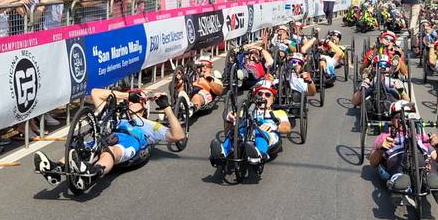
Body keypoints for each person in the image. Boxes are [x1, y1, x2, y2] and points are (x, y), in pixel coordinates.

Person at [33, 88, 185, 191]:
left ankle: (93, 173)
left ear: (144, 106)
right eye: (130, 101)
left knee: (110, 150)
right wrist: (127, 95)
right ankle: (56, 169)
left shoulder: (149, 125)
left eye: (136, 101)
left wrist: (167, 108)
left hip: (130, 141)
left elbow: (178, 136)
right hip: (105, 137)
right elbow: (95, 93)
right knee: (82, 147)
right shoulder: (113, 116)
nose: (131, 103)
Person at [369, 100, 438, 204]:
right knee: (397, 165)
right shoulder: (385, 136)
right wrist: (380, 149)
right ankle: (399, 182)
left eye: (407, 116)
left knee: (431, 163)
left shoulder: (421, 136)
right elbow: (373, 162)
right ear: (392, 119)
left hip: (422, 161)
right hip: (397, 160)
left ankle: (433, 181)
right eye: (398, 117)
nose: (404, 119)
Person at [210, 80, 290, 166]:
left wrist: (273, 127)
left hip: (267, 134)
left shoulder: (279, 113)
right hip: (246, 132)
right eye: (259, 94)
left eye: (267, 95)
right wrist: (229, 118)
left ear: (273, 98)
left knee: (260, 133)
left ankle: (259, 153)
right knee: (233, 133)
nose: (263, 97)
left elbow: (287, 127)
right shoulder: (247, 110)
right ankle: (222, 153)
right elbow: (230, 126)